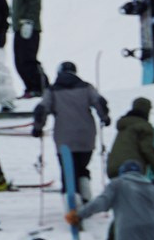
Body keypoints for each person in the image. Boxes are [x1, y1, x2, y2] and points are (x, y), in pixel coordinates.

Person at [32, 62, 110, 202]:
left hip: (64, 137)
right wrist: (105, 118)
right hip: (86, 135)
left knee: (68, 168)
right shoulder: (87, 87)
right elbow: (99, 102)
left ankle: (71, 197)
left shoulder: (53, 90)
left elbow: (42, 109)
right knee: (82, 166)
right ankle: (85, 194)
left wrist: (38, 127)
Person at [9, 0, 46, 97]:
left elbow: (34, 3)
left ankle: (37, 87)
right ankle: (30, 87)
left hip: (28, 27)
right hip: (19, 27)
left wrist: (30, 21)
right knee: (19, 60)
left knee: (27, 59)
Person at [107, 96, 154, 183]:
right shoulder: (144, 127)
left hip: (113, 168)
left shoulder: (124, 126)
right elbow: (147, 150)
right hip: (132, 169)